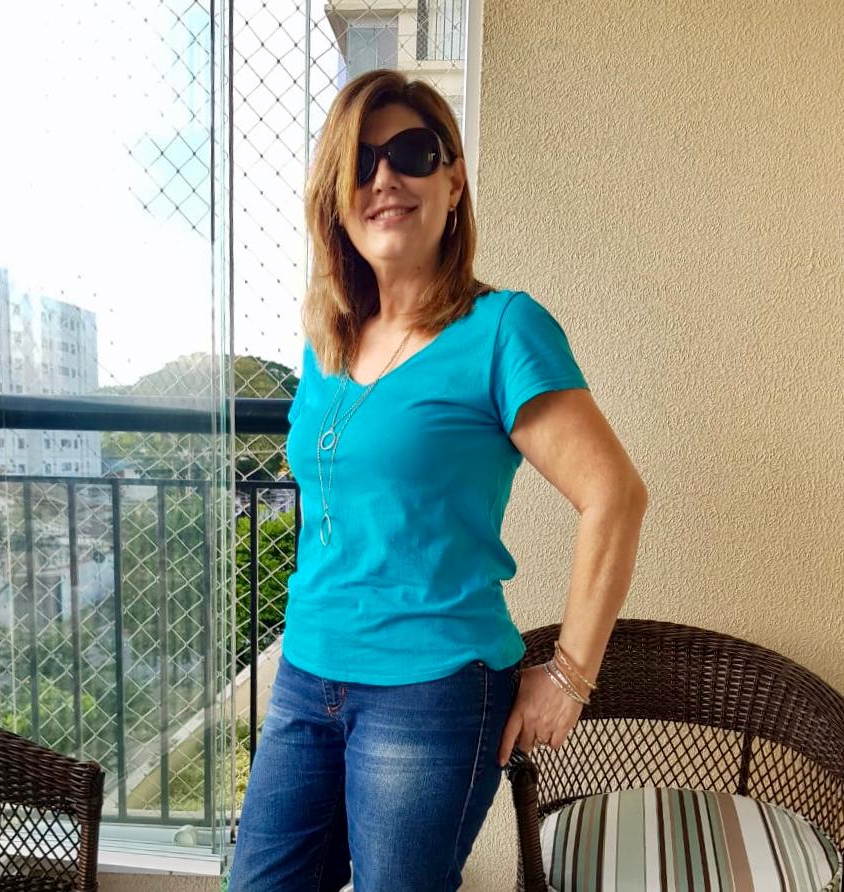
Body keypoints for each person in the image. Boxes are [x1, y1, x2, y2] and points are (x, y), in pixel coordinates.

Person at [226, 68, 648, 892]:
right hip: (308, 670)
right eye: (360, 162)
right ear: (336, 197)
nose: (384, 177)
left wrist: (569, 677)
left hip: (430, 688)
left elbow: (615, 496)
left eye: (412, 154)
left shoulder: (501, 329)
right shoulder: (327, 338)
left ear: (452, 182)